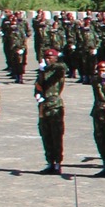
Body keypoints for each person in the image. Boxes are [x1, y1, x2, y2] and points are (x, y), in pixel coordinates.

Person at [34, 47, 67, 175]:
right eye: (46, 58)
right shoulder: (42, 72)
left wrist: (47, 67)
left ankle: (58, 163)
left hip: (55, 105)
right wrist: (37, 94)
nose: (47, 60)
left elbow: (62, 67)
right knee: (45, 134)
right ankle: (50, 163)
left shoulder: (57, 70)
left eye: (50, 58)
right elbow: (38, 86)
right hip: (43, 106)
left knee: (56, 135)